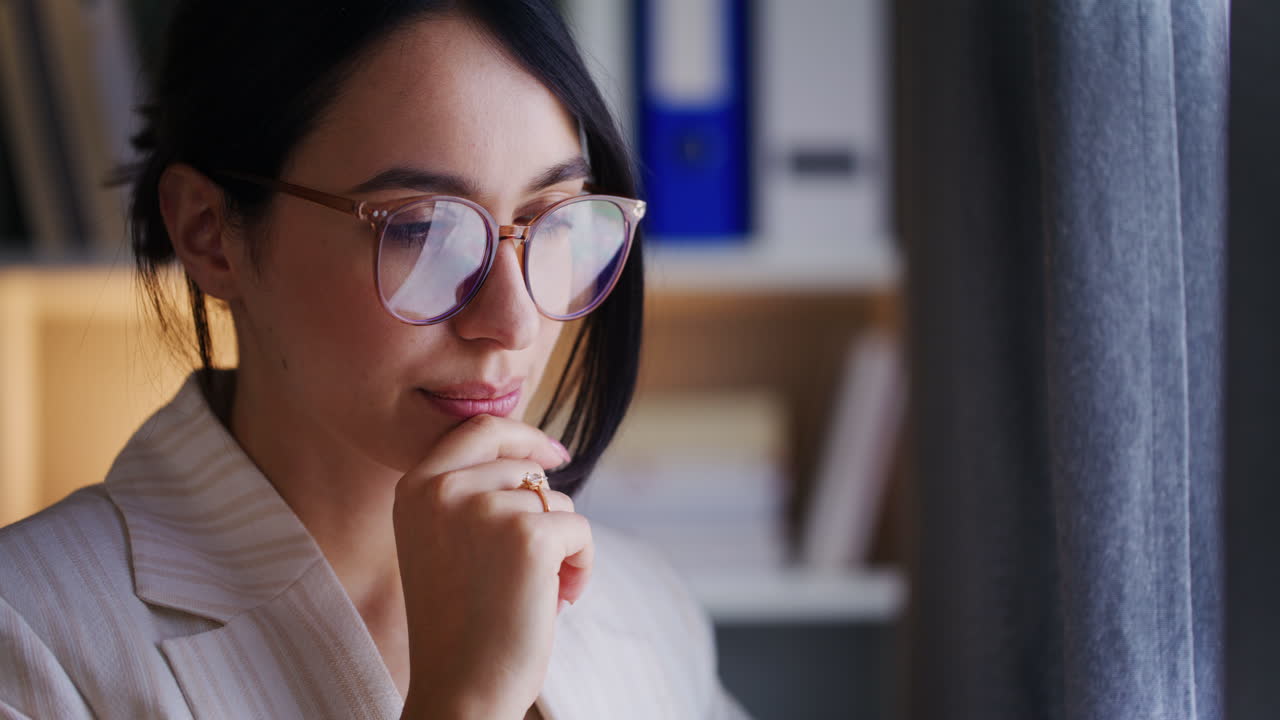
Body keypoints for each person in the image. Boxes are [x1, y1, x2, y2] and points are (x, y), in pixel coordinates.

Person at [0, 1, 751, 718]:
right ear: (208, 232)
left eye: (549, 218)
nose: (513, 321)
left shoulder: (646, 613)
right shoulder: (30, 643)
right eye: (422, 231)